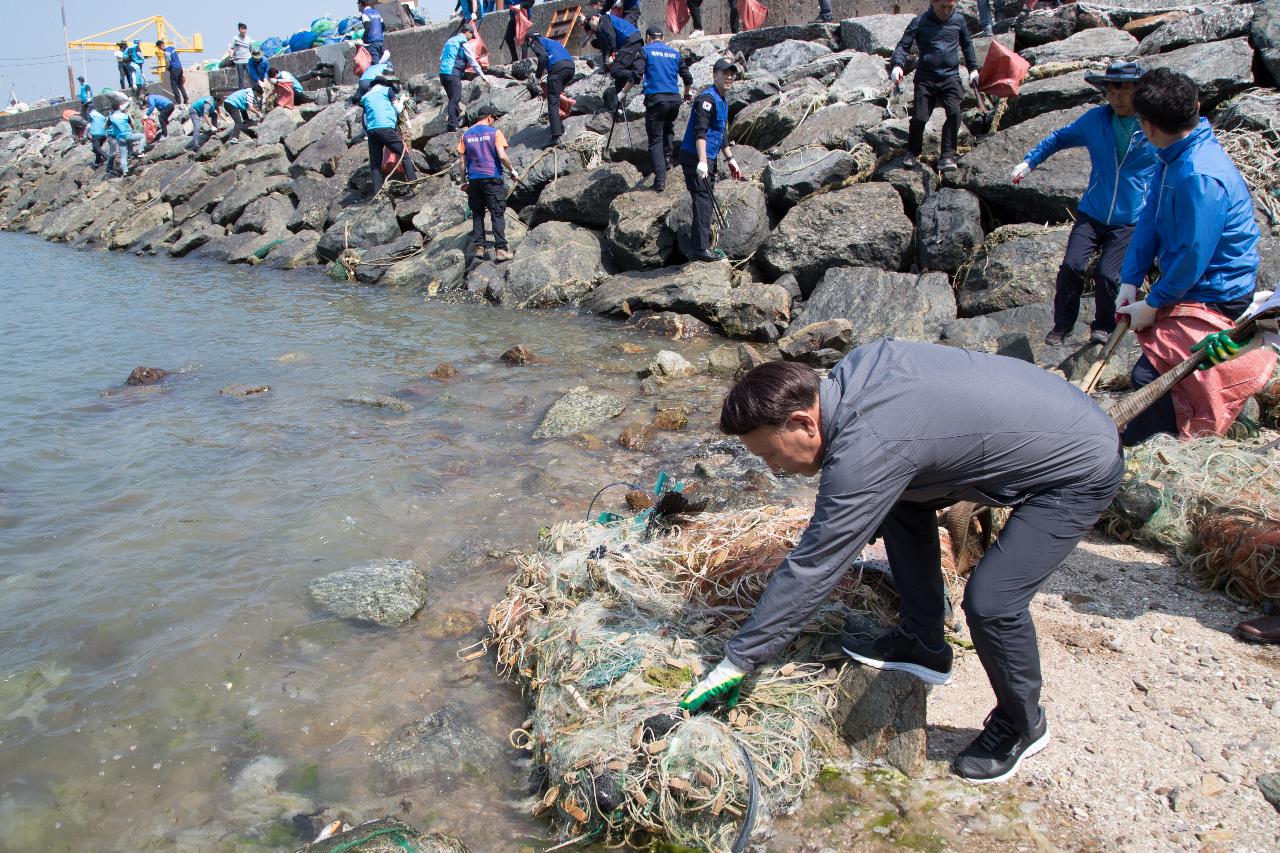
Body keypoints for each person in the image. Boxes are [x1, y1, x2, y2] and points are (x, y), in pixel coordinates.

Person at [679, 344, 1124, 783]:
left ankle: (1022, 725)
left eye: (771, 455)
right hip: (1056, 420)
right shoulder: (851, 378)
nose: (774, 469)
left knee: (993, 602)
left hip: (1077, 469)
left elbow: (816, 564)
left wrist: (738, 660)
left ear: (802, 422)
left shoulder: (869, 443)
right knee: (898, 501)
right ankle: (923, 642)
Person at [1114, 67, 1266, 446]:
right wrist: (1131, 279)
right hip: (1188, 280)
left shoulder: (1200, 175)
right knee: (1150, 370)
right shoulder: (1172, 155)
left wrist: (1156, 302)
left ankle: (1154, 445)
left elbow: (1193, 256)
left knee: (1152, 376)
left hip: (1216, 290)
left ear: (1147, 127)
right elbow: (1150, 214)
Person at [1012, 62, 1158, 347]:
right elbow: (1060, 138)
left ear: (1139, 91)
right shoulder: (1095, 121)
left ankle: (1103, 325)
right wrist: (1030, 161)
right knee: (1071, 266)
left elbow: (1172, 159)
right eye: (1111, 92)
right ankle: (1062, 324)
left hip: (1130, 219)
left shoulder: (1151, 126)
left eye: (1124, 91)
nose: (1117, 98)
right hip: (1092, 212)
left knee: (1108, 275)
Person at [889, 0, 978, 173]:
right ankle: (913, 151)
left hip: (950, 77)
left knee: (954, 112)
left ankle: (947, 155)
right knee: (920, 117)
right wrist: (897, 65)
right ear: (933, 2)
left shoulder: (958, 21)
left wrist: (973, 69)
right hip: (925, 79)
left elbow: (967, 45)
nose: (946, 11)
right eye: (942, 7)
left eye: (950, 7)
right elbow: (903, 45)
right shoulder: (919, 22)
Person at [678, 58, 744, 263]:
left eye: (732, 74)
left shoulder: (723, 100)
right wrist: (702, 161)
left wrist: (731, 159)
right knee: (703, 200)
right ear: (715, 74)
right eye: (725, 73)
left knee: (705, 198)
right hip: (695, 155)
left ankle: (699, 246)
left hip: (710, 155)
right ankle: (700, 248)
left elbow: (721, 133)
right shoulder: (706, 99)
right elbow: (701, 132)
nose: (729, 77)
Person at [457, 105, 520, 261]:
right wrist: (512, 170)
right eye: (494, 119)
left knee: (477, 213)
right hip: (491, 177)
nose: (494, 121)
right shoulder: (494, 133)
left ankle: (479, 248)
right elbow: (502, 156)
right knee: (497, 213)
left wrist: (463, 181)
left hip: (474, 180)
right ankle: (501, 250)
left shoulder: (467, 134)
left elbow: (462, 161)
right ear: (490, 117)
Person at [637, 25, 692, 192]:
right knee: (668, 129)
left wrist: (623, 92)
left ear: (648, 37)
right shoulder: (674, 53)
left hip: (656, 100)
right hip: (674, 100)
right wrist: (686, 94)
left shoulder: (645, 51)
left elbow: (637, 74)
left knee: (655, 140)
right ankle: (668, 160)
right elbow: (688, 77)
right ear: (662, 37)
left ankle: (660, 180)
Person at [361, 76, 418, 195]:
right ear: (384, 84)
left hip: (372, 131)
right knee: (404, 155)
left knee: (375, 164)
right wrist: (402, 100)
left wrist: (369, 131)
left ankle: (377, 193)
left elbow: (365, 120)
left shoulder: (366, 96)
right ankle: (413, 184)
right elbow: (397, 109)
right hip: (386, 128)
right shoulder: (387, 91)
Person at [526, 30, 575, 146]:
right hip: (570, 67)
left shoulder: (534, 41)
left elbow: (542, 57)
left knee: (553, 102)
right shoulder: (551, 41)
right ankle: (560, 122)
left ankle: (556, 136)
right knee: (557, 94)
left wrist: (537, 77)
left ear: (529, 39)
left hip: (557, 69)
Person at [583, 3, 644, 93]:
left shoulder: (604, 20)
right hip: (634, 41)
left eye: (591, 27)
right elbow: (605, 45)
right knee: (619, 78)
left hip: (630, 41)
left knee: (616, 70)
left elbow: (611, 36)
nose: (593, 30)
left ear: (593, 18)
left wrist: (613, 52)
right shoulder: (604, 23)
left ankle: (640, 76)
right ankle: (619, 104)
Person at [439, 28, 490, 132]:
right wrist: (482, 75)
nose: (471, 39)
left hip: (443, 73)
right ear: (468, 32)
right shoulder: (463, 43)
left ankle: (455, 121)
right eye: (472, 36)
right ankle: (452, 125)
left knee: (453, 98)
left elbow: (441, 57)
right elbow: (472, 60)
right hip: (453, 74)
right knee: (455, 99)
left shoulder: (450, 41)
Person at [105, 101, 144, 178]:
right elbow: (132, 125)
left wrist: (114, 130)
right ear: (120, 107)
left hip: (120, 139)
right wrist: (132, 130)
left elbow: (106, 127)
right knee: (142, 137)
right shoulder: (125, 115)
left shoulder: (111, 118)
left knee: (123, 156)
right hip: (128, 135)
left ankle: (125, 172)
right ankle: (140, 152)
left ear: (112, 109)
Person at [157, 39, 188, 104]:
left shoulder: (166, 53)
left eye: (160, 47)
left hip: (174, 69)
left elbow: (168, 62)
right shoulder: (172, 48)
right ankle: (186, 99)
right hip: (179, 67)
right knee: (180, 85)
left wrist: (167, 68)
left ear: (162, 45)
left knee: (174, 85)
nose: (160, 49)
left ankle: (178, 101)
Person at [228, 23, 253, 90]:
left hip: (247, 60)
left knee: (251, 75)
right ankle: (241, 91)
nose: (244, 31)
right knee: (241, 78)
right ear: (239, 30)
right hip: (239, 61)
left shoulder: (249, 39)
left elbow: (251, 49)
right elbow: (232, 49)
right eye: (242, 29)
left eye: (245, 29)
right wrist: (231, 57)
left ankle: (253, 89)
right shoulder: (235, 38)